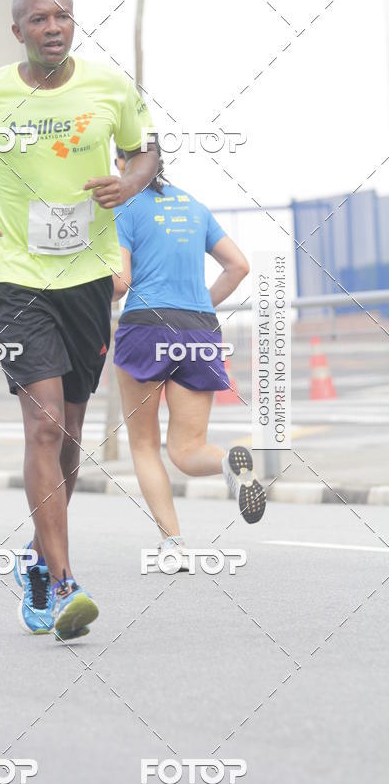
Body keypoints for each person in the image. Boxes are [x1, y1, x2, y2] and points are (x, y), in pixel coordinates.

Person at [0, 0, 158, 639]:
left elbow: (146, 148)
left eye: (62, 16)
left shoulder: (110, 88)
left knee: (70, 445)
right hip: (17, 276)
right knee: (43, 426)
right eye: (39, 18)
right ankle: (64, 584)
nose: (53, 26)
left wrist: (131, 180)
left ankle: (34, 560)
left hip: (87, 275)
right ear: (19, 32)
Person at [111, 144, 266, 567]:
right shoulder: (195, 207)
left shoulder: (123, 207)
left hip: (145, 327)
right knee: (187, 449)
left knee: (145, 445)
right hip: (199, 330)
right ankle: (229, 466)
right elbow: (238, 266)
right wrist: (202, 303)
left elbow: (121, 282)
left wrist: (82, 299)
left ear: (123, 164)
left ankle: (174, 546)